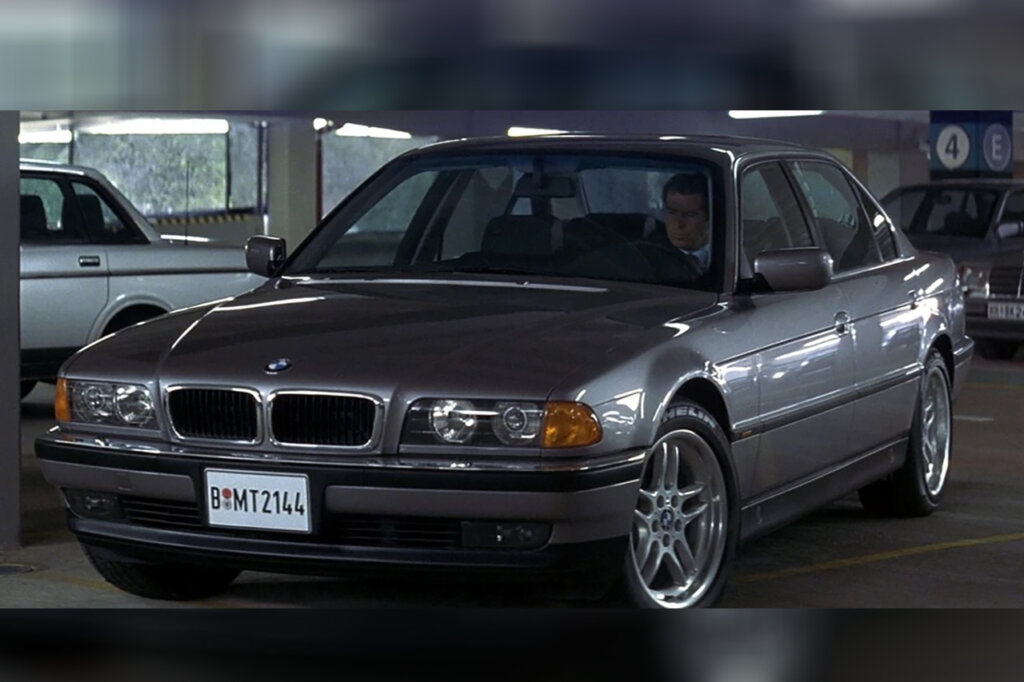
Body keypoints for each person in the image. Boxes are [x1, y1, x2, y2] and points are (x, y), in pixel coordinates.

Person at [658, 173, 712, 275]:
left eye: (690, 215)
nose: (679, 224)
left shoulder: (730, 253)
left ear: (709, 216)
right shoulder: (649, 256)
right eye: (672, 212)